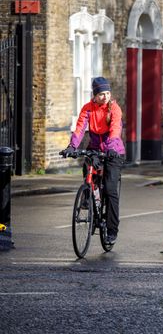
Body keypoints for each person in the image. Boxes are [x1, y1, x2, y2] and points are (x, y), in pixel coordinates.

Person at [62, 77, 125, 245]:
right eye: (101, 94)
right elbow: (80, 128)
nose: (105, 97)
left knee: (111, 190)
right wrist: (72, 147)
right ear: (95, 95)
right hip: (95, 148)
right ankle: (89, 196)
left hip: (114, 152)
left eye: (107, 93)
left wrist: (111, 147)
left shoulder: (115, 109)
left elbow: (115, 128)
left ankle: (112, 230)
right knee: (88, 168)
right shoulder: (88, 108)